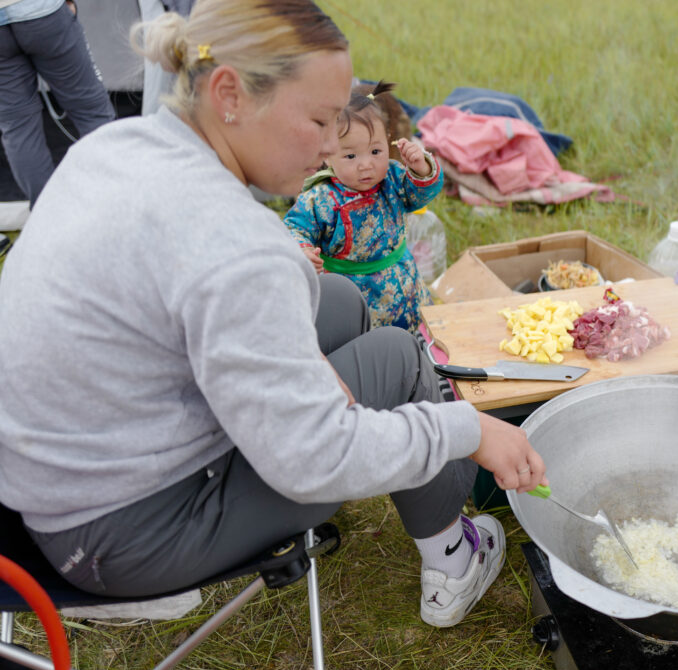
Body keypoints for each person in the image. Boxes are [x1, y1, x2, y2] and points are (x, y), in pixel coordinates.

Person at [0, 0, 546, 630]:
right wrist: (468, 430)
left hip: (42, 481)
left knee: (337, 299)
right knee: (398, 356)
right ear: (229, 93)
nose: (330, 145)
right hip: (117, 535)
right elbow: (313, 457)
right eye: (318, 120)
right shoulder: (238, 243)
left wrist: (300, 363)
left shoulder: (115, 146)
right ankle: (453, 556)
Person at [285, 81, 438, 331]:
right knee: (362, 337)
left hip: (402, 282)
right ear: (327, 156)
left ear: (387, 142)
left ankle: (416, 347)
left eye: (375, 151)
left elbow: (420, 195)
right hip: (351, 290)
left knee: (415, 330)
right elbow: (295, 227)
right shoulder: (321, 197)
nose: (366, 164)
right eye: (351, 156)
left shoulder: (393, 179)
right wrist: (303, 250)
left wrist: (421, 169)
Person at [0, 0, 115, 206]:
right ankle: (114, 203)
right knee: (92, 111)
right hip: (41, 10)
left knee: (18, 129)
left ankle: (48, 217)